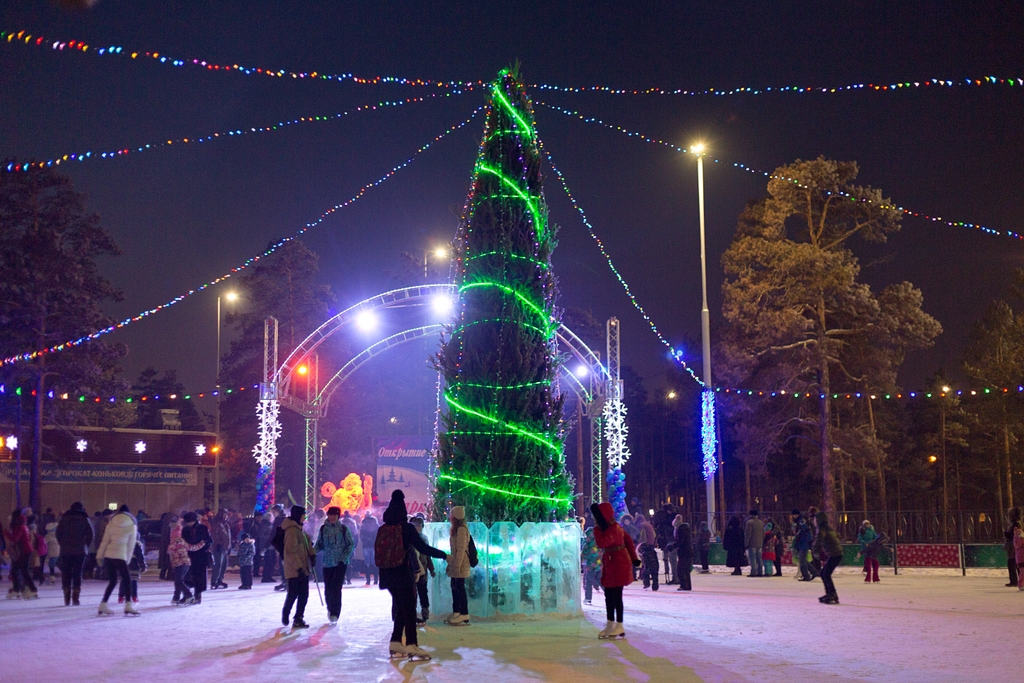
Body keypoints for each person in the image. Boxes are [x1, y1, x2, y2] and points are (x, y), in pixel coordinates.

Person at [376, 490, 447, 659]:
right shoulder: (406, 528)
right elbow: (423, 548)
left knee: (401, 606)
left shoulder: (382, 529)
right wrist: (444, 555)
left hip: (387, 575)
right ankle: (412, 645)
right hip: (403, 573)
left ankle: (395, 642)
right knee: (409, 610)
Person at [591, 502, 640, 639]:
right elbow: (629, 542)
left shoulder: (614, 529)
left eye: (597, 517)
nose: (594, 520)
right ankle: (611, 623)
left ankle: (618, 624)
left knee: (616, 595)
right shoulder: (613, 528)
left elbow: (602, 543)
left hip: (618, 564)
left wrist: (597, 530)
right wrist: (634, 558)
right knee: (609, 595)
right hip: (612, 563)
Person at [314, 506, 355, 623]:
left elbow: (350, 544)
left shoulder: (343, 529)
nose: (332, 517)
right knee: (328, 588)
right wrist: (312, 551)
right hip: (327, 563)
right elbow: (319, 544)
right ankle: (330, 608)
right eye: (330, 515)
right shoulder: (323, 529)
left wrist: (344, 557)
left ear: (338, 516)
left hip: (340, 563)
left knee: (336, 588)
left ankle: (335, 612)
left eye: (334, 515)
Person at [97, 505, 139, 616]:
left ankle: (103, 604)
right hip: (120, 556)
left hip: (109, 555)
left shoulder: (111, 523)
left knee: (113, 581)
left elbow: (105, 541)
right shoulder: (132, 525)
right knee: (127, 580)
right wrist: (128, 559)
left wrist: (99, 555)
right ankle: (128, 605)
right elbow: (130, 546)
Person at [281, 506, 317, 629]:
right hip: (294, 569)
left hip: (303, 567)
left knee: (304, 594)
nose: (305, 518)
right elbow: (290, 552)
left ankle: (298, 618)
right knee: (293, 593)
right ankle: (286, 611)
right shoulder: (291, 531)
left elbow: (307, 543)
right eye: (303, 515)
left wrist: (312, 555)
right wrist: (299, 568)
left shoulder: (300, 529)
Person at [55, 501, 93, 606]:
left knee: (66, 573)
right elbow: (90, 534)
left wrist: (62, 544)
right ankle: (75, 598)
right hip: (80, 551)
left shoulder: (64, 519)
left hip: (66, 550)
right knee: (77, 573)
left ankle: (66, 598)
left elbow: (58, 534)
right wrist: (86, 545)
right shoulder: (85, 519)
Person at [446, 506, 472, 624]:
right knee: (454, 586)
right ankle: (457, 611)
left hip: (461, 563)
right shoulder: (456, 529)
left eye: (451, 514)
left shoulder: (461, 529)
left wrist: (456, 566)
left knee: (460, 587)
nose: (450, 517)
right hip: (456, 562)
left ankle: (464, 613)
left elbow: (461, 549)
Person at [181, 511, 213, 604]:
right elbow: (183, 541)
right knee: (187, 577)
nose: (186, 523)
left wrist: (202, 547)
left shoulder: (202, 528)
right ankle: (187, 595)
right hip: (189, 556)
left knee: (199, 577)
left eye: (188, 521)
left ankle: (197, 596)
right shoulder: (185, 530)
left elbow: (209, 541)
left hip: (201, 556)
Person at [4, 512, 37, 599]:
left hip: (24, 551)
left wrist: (6, 533)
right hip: (24, 551)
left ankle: (31, 589)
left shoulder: (20, 527)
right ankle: (17, 589)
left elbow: (15, 539)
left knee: (22, 570)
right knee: (16, 570)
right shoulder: (23, 525)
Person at [813, 511, 843, 604]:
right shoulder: (827, 527)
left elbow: (819, 539)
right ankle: (830, 593)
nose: (814, 521)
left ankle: (832, 594)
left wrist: (814, 550)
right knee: (823, 573)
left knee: (825, 574)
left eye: (815, 519)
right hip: (836, 553)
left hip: (835, 554)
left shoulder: (821, 528)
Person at [410, 515, 435, 623]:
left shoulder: (424, 538)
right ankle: (414, 613)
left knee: (422, 591)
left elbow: (427, 554)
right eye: (416, 526)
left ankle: (424, 610)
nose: (418, 528)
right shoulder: (411, 539)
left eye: (420, 526)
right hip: (414, 570)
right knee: (415, 592)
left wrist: (431, 568)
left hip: (422, 569)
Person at [121, 533, 147, 605]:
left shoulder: (124, 544)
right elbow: (140, 557)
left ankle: (121, 596)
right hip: (134, 566)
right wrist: (143, 566)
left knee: (123, 581)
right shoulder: (137, 545)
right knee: (133, 582)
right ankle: (134, 596)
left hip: (125, 565)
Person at [635, 514, 659, 591]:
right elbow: (654, 535)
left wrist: (640, 544)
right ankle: (655, 585)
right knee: (654, 567)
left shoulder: (641, 525)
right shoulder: (649, 524)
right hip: (651, 547)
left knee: (646, 566)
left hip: (645, 547)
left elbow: (642, 536)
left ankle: (646, 583)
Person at [209, 509, 231, 590]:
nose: (226, 517)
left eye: (227, 515)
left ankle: (220, 579)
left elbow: (228, 537)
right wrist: (218, 544)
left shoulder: (226, 525)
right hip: (219, 547)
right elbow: (214, 535)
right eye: (225, 515)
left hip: (225, 548)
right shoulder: (217, 524)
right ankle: (214, 581)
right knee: (218, 565)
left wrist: (229, 547)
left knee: (224, 564)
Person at [654, 507, 677, 584]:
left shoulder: (668, 521)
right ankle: (675, 577)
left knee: (672, 560)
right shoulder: (669, 520)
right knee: (671, 560)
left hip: (669, 541)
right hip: (668, 541)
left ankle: (675, 577)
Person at [582, 526, 602, 605]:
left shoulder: (587, 545)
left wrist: (581, 561)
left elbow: (584, 554)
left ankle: (588, 598)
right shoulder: (598, 543)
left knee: (589, 582)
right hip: (598, 564)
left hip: (590, 566)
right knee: (600, 580)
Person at [360, 512, 380, 585]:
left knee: (367, 563)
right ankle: (375, 580)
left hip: (366, 545)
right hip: (374, 545)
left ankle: (368, 580)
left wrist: (366, 539)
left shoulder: (364, 524)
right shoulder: (375, 523)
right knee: (374, 563)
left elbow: (361, 536)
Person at [1004, 507, 1021, 587]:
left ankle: (1014, 581)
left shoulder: (1016, 523)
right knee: (1015, 563)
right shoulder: (1014, 523)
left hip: (1014, 544)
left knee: (1013, 562)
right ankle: (1016, 580)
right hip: (1013, 544)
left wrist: (1007, 534)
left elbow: (1016, 534)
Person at [258, 511, 278, 583]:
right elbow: (261, 535)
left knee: (272, 561)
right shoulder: (265, 525)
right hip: (266, 546)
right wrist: (269, 538)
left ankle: (269, 576)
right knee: (268, 561)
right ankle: (266, 577)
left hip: (271, 545)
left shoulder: (270, 525)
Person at [341, 510, 360, 585]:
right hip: (350, 544)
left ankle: (343, 579)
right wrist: (355, 545)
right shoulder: (353, 522)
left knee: (342, 562)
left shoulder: (340, 522)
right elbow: (355, 535)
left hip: (342, 545)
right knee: (349, 562)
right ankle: (349, 579)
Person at [745, 510, 765, 577]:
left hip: (752, 543)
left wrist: (746, 543)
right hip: (760, 543)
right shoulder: (761, 522)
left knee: (752, 558)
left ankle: (753, 572)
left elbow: (748, 534)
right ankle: (760, 572)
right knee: (759, 558)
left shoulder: (749, 522)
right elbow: (763, 534)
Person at [674, 522, 693, 591]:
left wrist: (672, 546)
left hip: (684, 553)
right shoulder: (687, 532)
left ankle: (684, 585)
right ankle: (688, 585)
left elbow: (679, 542)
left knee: (680, 570)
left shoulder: (681, 532)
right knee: (686, 570)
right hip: (688, 552)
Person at [1014, 526, 1024, 591]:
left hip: (1021, 556)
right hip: (1020, 557)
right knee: (1022, 571)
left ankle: (1021, 584)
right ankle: (1021, 584)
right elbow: (1017, 545)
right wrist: (1021, 538)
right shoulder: (1016, 537)